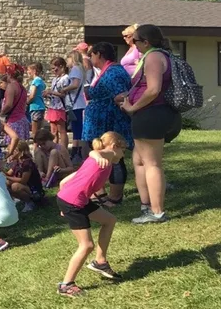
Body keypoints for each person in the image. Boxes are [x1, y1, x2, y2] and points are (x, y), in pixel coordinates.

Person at [120, 24, 181, 224]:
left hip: (151, 114)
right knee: (139, 160)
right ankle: (146, 206)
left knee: (152, 164)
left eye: (135, 40)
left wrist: (132, 107)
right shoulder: (156, 55)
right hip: (150, 114)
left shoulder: (154, 57)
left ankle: (157, 212)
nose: (133, 44)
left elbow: (153, 90)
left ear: (146, 42)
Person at [56, 132, 127, 297]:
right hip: (74, 202)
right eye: (124, 150)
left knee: (109, 220)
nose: (124, 155)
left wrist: (63, 205)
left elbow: (64, 182)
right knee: (86, 245)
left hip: (71, 200)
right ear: (115, 147)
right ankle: (66, 285)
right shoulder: (103, 157)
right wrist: (97, 155)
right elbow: (93, 152)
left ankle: (100, 262)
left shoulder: (102, 161)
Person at [82, 42, 133, 206]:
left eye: (92, 55)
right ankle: (100, 194)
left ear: (99, 54)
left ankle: (115, 197)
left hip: (108, 121)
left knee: (113, 157)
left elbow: (122, 94)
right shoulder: (110, 71)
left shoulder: (112, 72)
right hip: (100, 122)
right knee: (100, 156)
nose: (90, 58)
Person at [3, 140, 44, 212]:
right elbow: (9, 173)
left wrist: (6, 177)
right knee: (5, 183)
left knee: (15, 186)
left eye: (11, 151)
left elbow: (23, 180)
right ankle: (22, 200)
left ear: (18, 151)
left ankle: (30, 203)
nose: (9, 153)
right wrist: (0, 169)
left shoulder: (27, 163)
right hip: (26, 187)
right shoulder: (18, 162)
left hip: (34, 190)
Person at [65, 49, 90, 161]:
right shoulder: (81, 69)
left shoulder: (75, 69)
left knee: (76, 129)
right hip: (78, 103)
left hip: (74, 104)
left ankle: (76, 152)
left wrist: (64, 89)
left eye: (68, 59)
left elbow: (75, 84)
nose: (67, 62)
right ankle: (77, 151)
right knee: (77, 128)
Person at [44, 57, 72, 151]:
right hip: (52, 106)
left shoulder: (65, 78)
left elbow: (64, 94)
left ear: (61, 67)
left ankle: (63, 150)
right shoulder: (55, 79)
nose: (53, 71)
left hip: (60, 107)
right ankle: (54, 149)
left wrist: (51, 92)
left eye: (54, 68)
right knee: (53, 131)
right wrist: (48, 94)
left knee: (61, 130)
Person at [0, 66, 30, 143]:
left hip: (14, 122)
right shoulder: (22, 88)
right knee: (21, 148)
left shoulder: (11, 86)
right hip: (22, 120)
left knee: (13, 147)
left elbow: (9, 104)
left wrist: (1, 113)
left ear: (9, 75)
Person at [26, 63, 47, 140]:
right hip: (40, 106)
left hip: (36, 106)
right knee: (38, 130)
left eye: (28, 70)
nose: (27, 72)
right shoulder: (41, 81)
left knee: (35, 132)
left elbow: (32, 95)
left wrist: (27, 102)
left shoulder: (36, 81)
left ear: (34, 71)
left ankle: (36, 148)